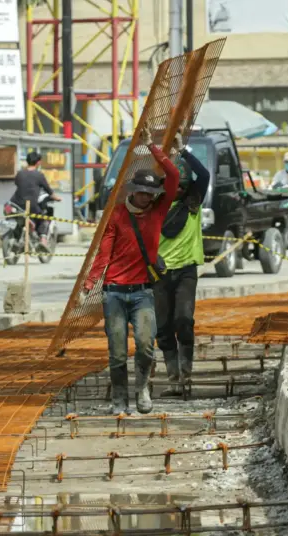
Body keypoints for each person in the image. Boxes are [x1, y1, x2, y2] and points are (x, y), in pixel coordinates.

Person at [82, 125, 181, 415]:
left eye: (152, 193)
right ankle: (119, 400)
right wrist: (89, 286)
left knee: (146, 346)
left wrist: (154, 148)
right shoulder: (117, 216)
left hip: (142, 293)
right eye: (144, 192)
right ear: (134, 191)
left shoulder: (158, 211)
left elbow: (173, 177)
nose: (148, 197)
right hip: (114, 293)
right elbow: (104, 254)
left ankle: (142, 389)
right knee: (117, 353)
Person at [154, 142, 211, 396]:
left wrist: (185, 151)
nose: (176, 190)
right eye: (172, 185)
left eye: (180, 185)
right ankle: (174, 379)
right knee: (163, 327)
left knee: (184, 320)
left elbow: (205, 175)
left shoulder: (193, 203)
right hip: (160, 273)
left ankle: (186, 376)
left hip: (186, 270)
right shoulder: (156, 206)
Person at [10, 151, 62, 248]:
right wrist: (58, 198)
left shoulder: (20, 174)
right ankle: (43, 241)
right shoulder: (39, 175)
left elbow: (18, 185)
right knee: (44, 219)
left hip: (16, 204)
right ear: (38, 162)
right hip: (31, 205)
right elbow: (49, 191)